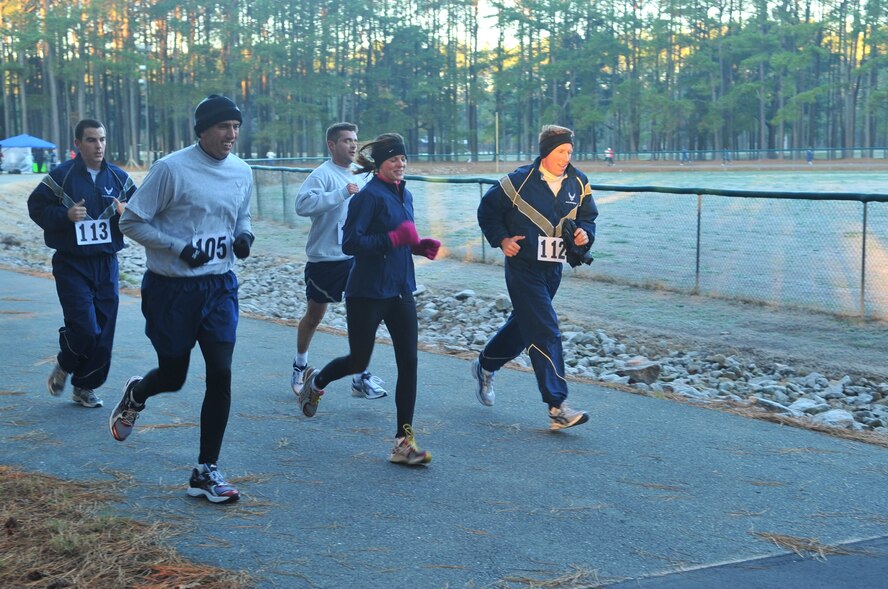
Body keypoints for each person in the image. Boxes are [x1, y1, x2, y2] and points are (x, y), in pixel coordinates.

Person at [111, 95, 254, 504]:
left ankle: (205, 470)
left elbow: (240, 214)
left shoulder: (242, 170)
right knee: (173, 375)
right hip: (172, 289)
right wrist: (178, 247)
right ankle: (137, 394)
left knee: (221, 373)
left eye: (236, 126)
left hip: (219, 286)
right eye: (224, 126)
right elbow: (131, 221)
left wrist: (244, 235)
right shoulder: (171, 169)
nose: (232, 134)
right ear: (203, 130)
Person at [298, 133, 440, 466]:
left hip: (402, 289)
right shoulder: (367, 196)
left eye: (404, 159)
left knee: (409, 363)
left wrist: (417, 246)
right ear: (379, 165)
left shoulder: (406, 195)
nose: (401, 164)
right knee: (358, 361)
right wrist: (393, 238)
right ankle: (316, 382)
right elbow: (351, 243)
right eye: (394, 159)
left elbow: (402, 237)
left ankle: (403, 442)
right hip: (367, 292)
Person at [473, 124, 598, 431]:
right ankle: (557, 405)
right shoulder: (517, 181)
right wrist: (502, 240)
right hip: (522, 266)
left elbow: (588, 218)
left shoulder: (579, 182)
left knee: (523, 327)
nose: (566, 157)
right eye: (560, 151)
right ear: (546, 152)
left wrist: (585, 235)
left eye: (569, 151)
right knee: (545, 329)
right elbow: (486, 211)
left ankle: (485, 365)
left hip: (553, 269)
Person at [27, 119, 135, 408]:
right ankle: (65, 363)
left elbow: (142, 213)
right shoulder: (60, 177)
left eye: (101, 139)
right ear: (77, 144)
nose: (98, 145)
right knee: (86, 328)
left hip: (106, 263)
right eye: (91, 140)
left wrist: (127, 214)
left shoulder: (120, 179)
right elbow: (35, 207)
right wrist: (65, 216)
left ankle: (85, 387)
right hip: (71, 263)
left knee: (104, 329)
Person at [291, 122, 388, 400]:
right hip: (324, 259)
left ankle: (360, 377)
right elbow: (302, 206)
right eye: (346, 140)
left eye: (355, 140)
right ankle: (299, 365)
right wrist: (341, 193)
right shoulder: (321, 175)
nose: (353, 145)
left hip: (355, 257)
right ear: (332, 145)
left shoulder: (363, 173)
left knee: (361, 316)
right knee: (314, 316)